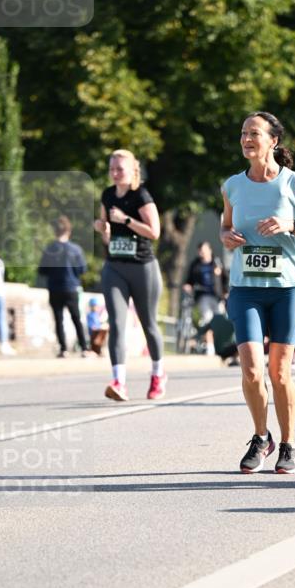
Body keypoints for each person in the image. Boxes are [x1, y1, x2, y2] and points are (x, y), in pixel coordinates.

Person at [221, 111, 295, 473]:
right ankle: (260, 436)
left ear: (273, 141)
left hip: (286, 289)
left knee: (279, 372)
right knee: (252, 371)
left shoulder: (294, 183)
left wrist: (291, 225)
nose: (247, 139)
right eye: (243, 133)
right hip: (245, 289)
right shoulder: (232, 185)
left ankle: (288, 443)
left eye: (254, 133)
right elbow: (225, 228)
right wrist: (227, 237)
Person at [93, 149, 166, 401]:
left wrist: (125, 220)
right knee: (116, 324)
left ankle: (158, 375)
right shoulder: (107, 195)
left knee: (149, 324)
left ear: (132, 170)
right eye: (111, 168)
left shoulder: (141, 195)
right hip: (115, 266)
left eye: (119, 169)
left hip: (143, 266)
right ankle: (119, 382)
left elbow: (154, 232)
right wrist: (102, 228)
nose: (114, 173)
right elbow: (107, 235)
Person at [39, 215, 89, 358]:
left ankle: (63, 349)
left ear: (55, 232)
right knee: (76, 318)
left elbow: (43, 270)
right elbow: (82, 270)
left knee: (58, 320)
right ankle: (84, 348)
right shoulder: (76, 249)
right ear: (69, 231)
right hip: (71, 287)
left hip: (54, 288)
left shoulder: (50, 248)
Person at [182, 241, 227, 355]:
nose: (202, 253)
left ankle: (222, 346)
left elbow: (224, 279)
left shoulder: (217, 262)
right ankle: (210, 346)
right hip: (203, 296)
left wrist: (225, 292)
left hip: (217, 296)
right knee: (207, 320)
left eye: (204, 250)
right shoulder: (195, 264)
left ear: (209, 250)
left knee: (220, 320)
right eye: (200, 251)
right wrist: (188, 286)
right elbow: (189, 279)